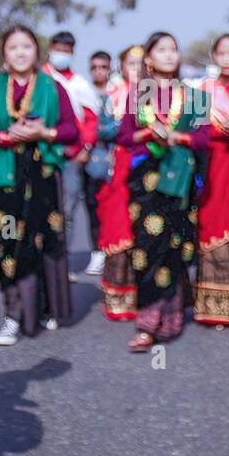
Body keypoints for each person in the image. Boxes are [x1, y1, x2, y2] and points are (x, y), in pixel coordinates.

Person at [0, 26, 80, 345]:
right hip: (5, 180)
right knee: (8, 242)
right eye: (13, 47)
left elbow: (71, 130)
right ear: (4, 54)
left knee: (46, 240)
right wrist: (9, 137)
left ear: (37, 52)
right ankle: (13, 315)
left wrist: (44, 134)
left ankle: (47, 308)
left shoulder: (52, 87)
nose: (20, 52)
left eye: (26, 46)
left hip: (44, 176)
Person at [117, 33, 209, 352]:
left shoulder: (194, 96)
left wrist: (175, 137)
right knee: (146, 250)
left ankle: (170, 318)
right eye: (162, 50)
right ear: (149, 60)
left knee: (177, 248)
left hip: (181, 179)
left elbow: (203, 139)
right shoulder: (137, 93)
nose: (169, 55)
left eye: (173, 49)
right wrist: (148, 133)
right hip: (146, 183)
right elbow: (124, 137)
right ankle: (146, 324)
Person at [193, 34, 229, 327]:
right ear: (214, 58)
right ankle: (214, 307)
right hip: (212, 168)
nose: (227, 59)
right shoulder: (201, 91)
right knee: (211, 225)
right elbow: (191, 133)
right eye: (222, 53)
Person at [42, 31, 100, 269]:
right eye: (58, 49)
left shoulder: (79, 84)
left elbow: (90, 119)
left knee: (66, 211)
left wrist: (85, 148)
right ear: (50, 48)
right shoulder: (40, 79)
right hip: (42, 154)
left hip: (70, 157)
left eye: (66, 51)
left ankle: (60, 264)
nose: (61, 55)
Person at [98, 44, 145, 320]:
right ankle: (119, 295)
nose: (136, 69)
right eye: (130, 63)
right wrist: (128, 126)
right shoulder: (113, 94)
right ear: (121, 66)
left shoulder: (157, 93)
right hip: (121, 162)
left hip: (146, 161)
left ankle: (146, 293)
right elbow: (102, 128)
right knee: (119, 224)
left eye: (140, 63)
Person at [81, 50, 116, 276]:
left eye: (103, 67)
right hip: (89, 158)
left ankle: (113, 248)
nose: (99, 71)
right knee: (92, 206)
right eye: (94, 67)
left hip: (114, 156)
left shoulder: (117, 92)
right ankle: (97, 252)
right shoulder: (84, 92)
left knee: (113, 206)